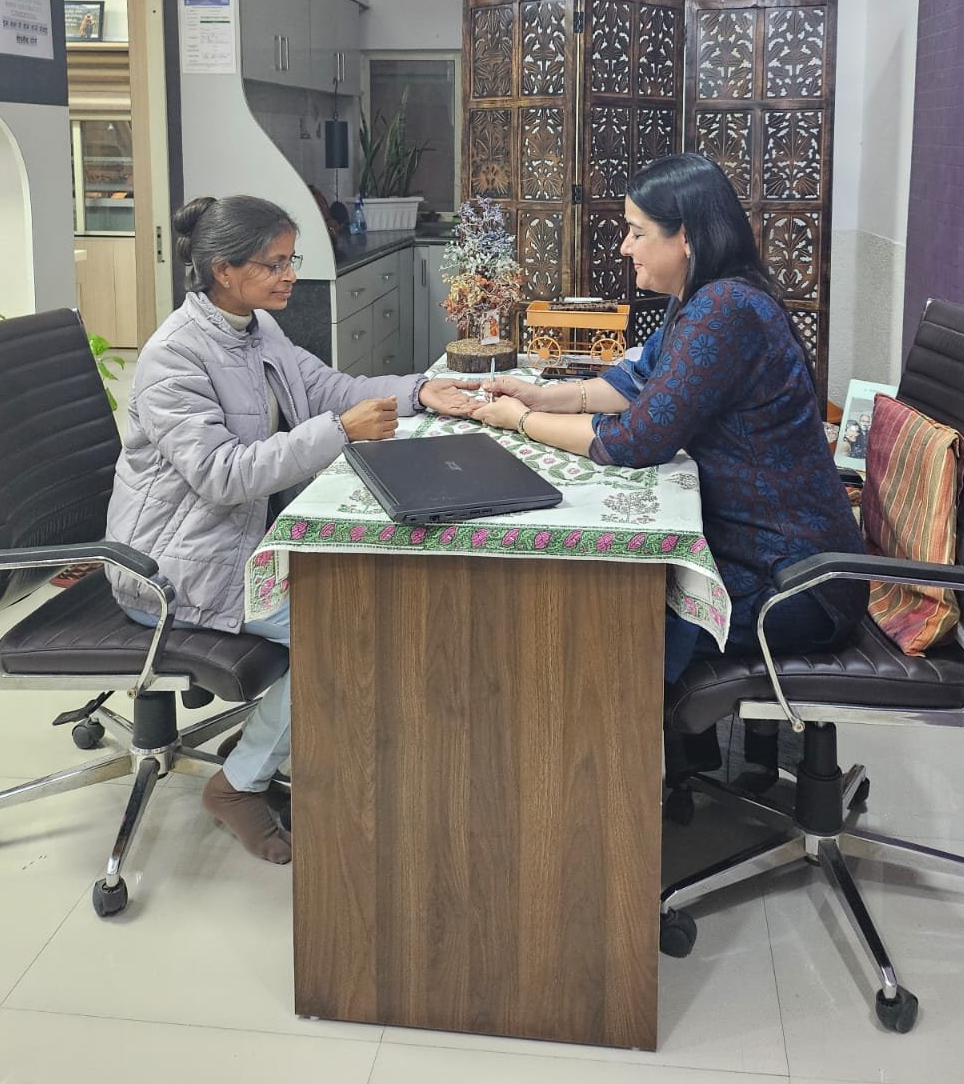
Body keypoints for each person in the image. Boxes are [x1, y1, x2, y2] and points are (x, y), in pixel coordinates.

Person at [105, 195, 478, 864]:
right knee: (342, 629)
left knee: (365, 596)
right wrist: (339, 433)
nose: (289, 276)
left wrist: (418, 392)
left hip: (242, 546)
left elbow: (327, 388)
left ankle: (261, 741)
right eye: (273, 264)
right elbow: (222, 475)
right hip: (174, 570)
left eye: (290, 259)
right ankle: (237, 787)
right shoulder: (174, 358)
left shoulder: (256, 328)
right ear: (223, 270)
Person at [472, 153, 867, 698]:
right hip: (763, 553)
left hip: (796, 581)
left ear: (685, 237)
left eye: (637, 233)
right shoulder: (703, 298)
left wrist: (522, 420)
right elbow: (636, 380)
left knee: (605, 618)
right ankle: (681, 741)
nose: (624, 247)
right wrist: (541, 395)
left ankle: (644, 746)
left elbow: (634, 441)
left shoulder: (725, 309)